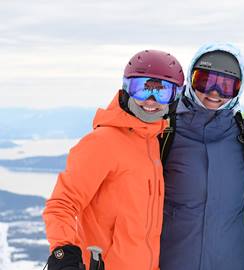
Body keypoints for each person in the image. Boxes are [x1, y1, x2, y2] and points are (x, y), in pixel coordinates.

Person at [42, 49, 184, 270]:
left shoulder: (155, 142)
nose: (151, 101)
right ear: (127, 89)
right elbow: (62, 204)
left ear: (174, 98)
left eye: (162, 92)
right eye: (142, 89)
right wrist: (64, 252)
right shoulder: (102, 142)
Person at [159, 42, 244, 270]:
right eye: (204, 81)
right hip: (173, 261)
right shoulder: (165, 131)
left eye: (226, 86)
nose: (214, 93)